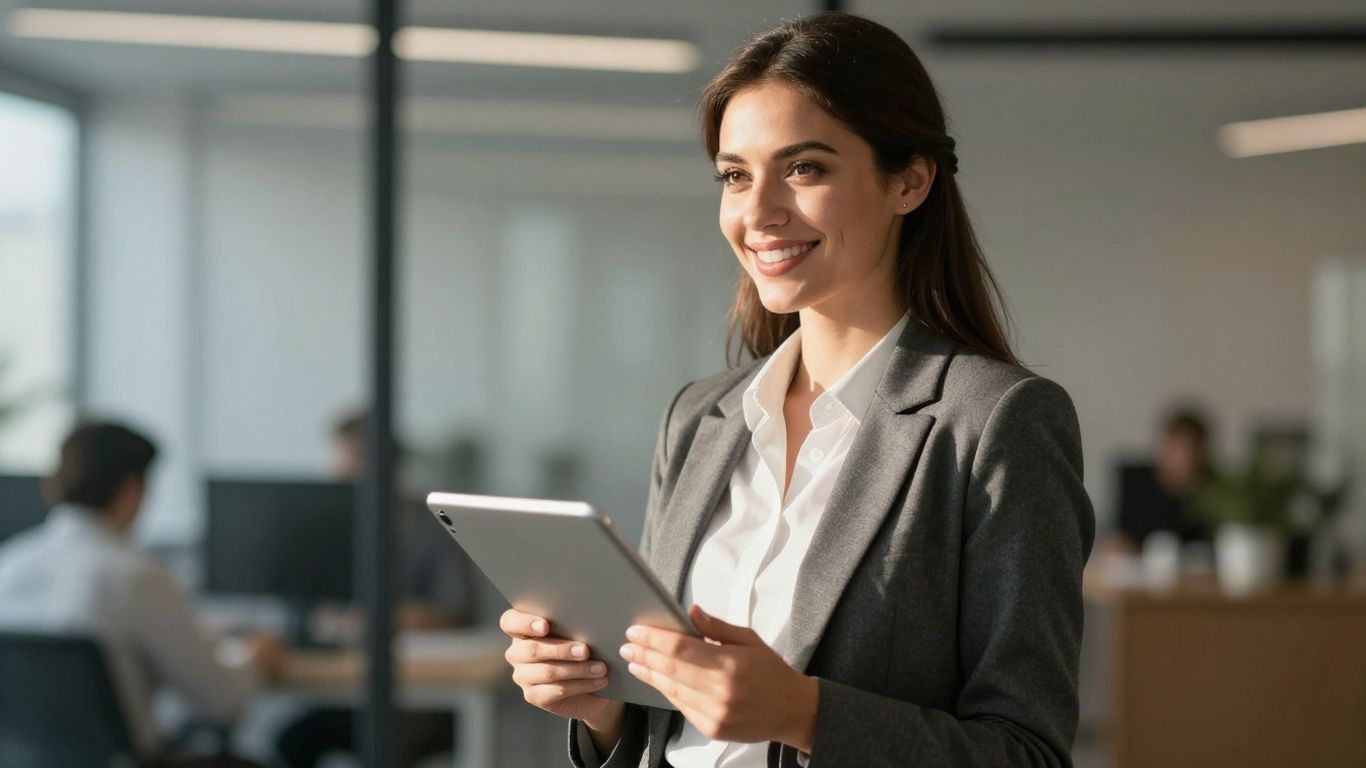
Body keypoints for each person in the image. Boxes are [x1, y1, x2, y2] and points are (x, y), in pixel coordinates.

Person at [498, 13, 1095, 767]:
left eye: (805, 168)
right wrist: (604, 710)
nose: (757, 212)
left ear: (908, 181)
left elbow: (1027, 753)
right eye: (735, 174)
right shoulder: (699, 418)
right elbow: (670, 729)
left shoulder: (994, 423)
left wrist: (805, 715)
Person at [0, 421, 282, 766]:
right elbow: (221, 700)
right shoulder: (136, 576)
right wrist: (257, 660)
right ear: (133, 488)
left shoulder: (8, 566)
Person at [273, 412, 475, 768]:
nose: (341, 470)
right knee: (293, 740)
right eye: (340, 458)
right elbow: (300, 611)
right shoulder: (323, 528)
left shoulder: (432, 525)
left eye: (354, 459)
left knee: (386, 744)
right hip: (344, 689)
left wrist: (383, 619)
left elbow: (454, 610)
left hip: (419, 696)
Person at [1113, 408, 1214, 551]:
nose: (1180, 458)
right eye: (1176, 448)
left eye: (1188, 450)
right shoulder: (1136, 482)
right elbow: (1120, 536)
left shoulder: (1212, 493)